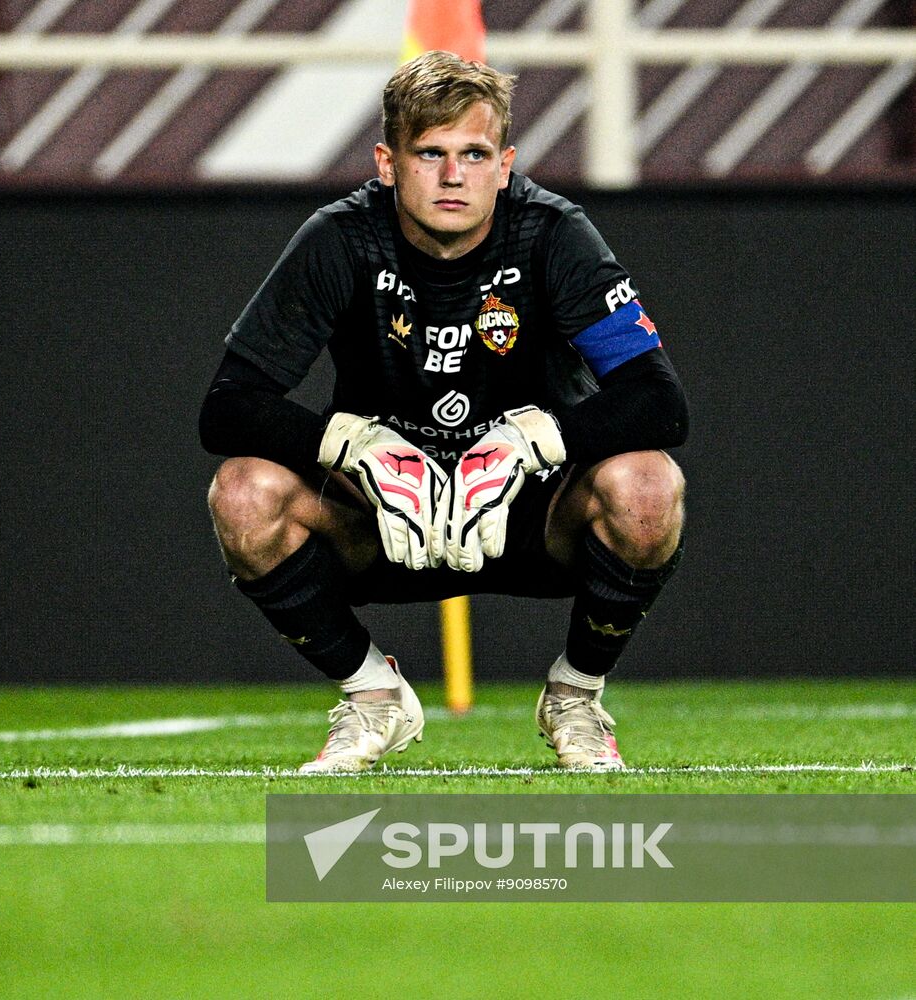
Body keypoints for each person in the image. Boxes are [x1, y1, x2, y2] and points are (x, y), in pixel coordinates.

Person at [199, 50, 688, 774]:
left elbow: (659, 402)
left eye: (473, 153)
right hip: (385, 518)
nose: (452, 175)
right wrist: (355, 447)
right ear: (387, 163)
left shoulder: (552, 234)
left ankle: (575, 697)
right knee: (241, 494)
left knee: (648, 486)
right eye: (429, 153)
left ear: (505, 162)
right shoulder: (340, 239)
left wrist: (528, 444)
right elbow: (226, 410)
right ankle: (372, 697)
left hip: (525, 514)